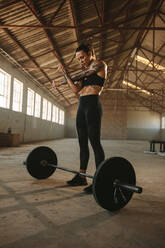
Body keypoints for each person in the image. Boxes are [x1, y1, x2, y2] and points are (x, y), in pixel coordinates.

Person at [58, 43, 107, 193]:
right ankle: (81, 176)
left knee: (95, 143)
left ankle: (100, 179)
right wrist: (65, 76)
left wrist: (65, 75)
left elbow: (82, 75)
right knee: (82, 143)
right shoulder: (84, 72)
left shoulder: (99, 64)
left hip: (92, 104)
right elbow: (75, 89)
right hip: (82, 106)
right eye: (79, 59)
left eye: (83, 57)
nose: (81, 61)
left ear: (91, 53)